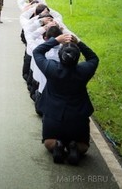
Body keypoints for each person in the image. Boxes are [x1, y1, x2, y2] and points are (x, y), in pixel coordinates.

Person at [33, 33, 99, 165]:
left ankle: (57, 145)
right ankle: (73, 147)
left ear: (59, 56)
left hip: (53, 117)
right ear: (78, 58)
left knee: (48, 142)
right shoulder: (84, 70)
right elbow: (93, 58)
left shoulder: (51, 68)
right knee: (83, 147)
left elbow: (37, 51)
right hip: (78, 118)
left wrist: (56, 40)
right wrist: (78, 42)